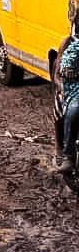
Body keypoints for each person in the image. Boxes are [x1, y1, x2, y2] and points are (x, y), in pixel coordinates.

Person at [55, 24, 79, 173]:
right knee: (72, 112)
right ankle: (66, 154)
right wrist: (62, 88)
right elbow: (57, 75)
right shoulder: (67, 44)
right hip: (70, 91)